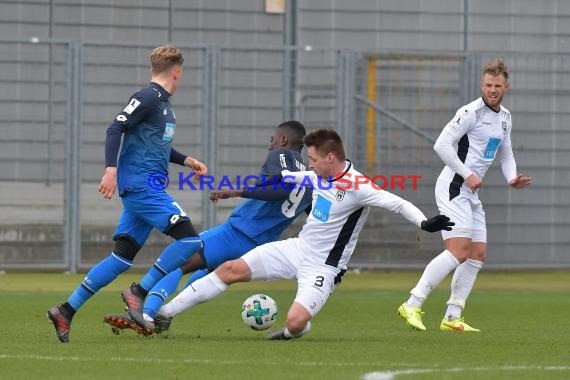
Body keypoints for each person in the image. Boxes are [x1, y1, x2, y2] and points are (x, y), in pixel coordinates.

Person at [151, 128, 453, 341]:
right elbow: (284, 179)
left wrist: (424, 223)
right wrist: (235, 189)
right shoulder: (316, 176)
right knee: (230, 269)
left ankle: (293, 330)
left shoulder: (358, 186)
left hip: (324, 267)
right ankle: (165, 313)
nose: (309, 164)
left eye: (313, 159)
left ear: (330, 158)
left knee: (295, 323)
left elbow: (396, 202)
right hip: (297, 249)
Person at [47, 45, 208, 343]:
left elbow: (156, 145)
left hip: (145, 188)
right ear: (177, 71)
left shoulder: (163, 104)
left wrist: (186, 160)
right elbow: (114, 128)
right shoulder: (147, 97)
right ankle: (140, 291)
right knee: (190, 240)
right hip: (142, 186)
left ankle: (65, 311)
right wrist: (111, 169)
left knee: (121, 257)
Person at [103, 121, 313, 335]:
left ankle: (146, 314)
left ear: (284, 140)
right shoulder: (310, 179)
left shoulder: (281, 155)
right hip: (259, 245)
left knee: (179, 261)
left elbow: (282, 190)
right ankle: (164, 314)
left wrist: (237, 192)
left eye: (273, 139)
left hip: (237, 233)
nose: (271, 145)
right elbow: (312, 213)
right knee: (208, 274)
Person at [398, 58, 532, 332]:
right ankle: (412, 303)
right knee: (458, 251)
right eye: (488, 85)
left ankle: (452, 317)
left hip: (470, 192)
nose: (492, 90)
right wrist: (467, 172)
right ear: (482, 85)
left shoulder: (505, 117)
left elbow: (506, 153)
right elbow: (442, 145)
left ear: (506, 86)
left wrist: (512, 178)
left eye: (497, 85)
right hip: (454, 186)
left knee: (477, 253)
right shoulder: (470, 112)